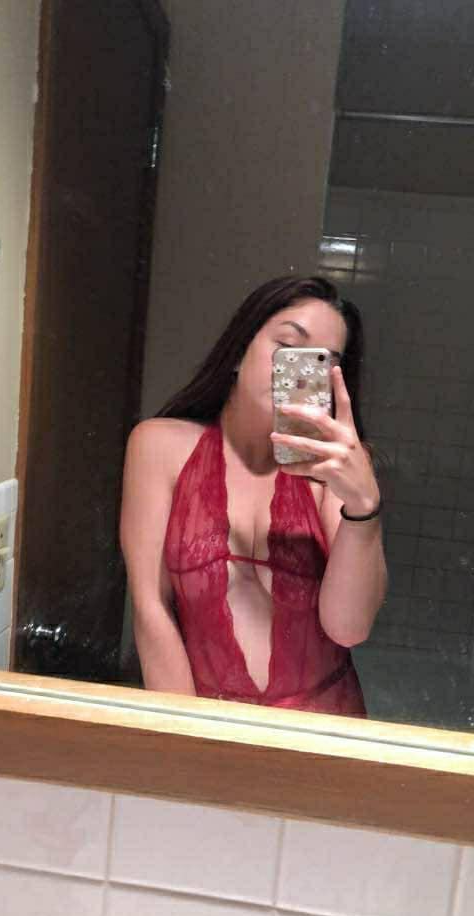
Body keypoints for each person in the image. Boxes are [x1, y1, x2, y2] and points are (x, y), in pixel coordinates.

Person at [120, 275, 387, 715]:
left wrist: (363, 507)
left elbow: (349, 629)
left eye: (322, 362)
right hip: (201, 720)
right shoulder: (159, 446)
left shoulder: (338, 471)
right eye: (288, 347)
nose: (300, 373)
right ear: (239, 348)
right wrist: (186, 738)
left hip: (323, 724)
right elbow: (151, 608)